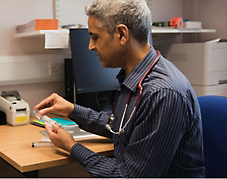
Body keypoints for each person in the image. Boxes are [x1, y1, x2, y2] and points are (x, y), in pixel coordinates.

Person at [34, 0, 205, 177]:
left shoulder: (162, 93)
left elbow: (129, 176)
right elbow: (120, 126)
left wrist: (72, 146)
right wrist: (72, 109)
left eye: (95, 37)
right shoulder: (136, 78)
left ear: (122, 34)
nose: (90, 46)